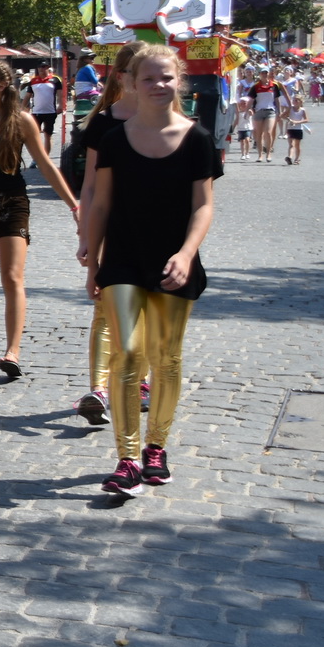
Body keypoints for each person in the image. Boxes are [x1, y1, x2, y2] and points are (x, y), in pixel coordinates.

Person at [85, 45, 219, 497]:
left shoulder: (196, 138)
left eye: (167, 78)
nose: (159, 86)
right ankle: (126, 458)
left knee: (166, 359)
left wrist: (186, 254)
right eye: (149, 79)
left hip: (174, 261)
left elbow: (203, 206)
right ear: (130, 84)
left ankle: (155, 447)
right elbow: (101, 203)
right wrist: (92, 259)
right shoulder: (114, 140)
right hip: (124, 259)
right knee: (125, 354)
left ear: (178, 81)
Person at [0, 60, 81, 379]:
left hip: (13, 203)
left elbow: (46, 166)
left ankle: (13, 350)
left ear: (2, 86)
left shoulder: (22, 120)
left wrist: (74, 206)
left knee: (12, 276)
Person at [73, 40, 147, 426]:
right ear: (124, 77)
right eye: (141, 73)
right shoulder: (103, 123)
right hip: (111, 224)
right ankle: (98, 389)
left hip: (154, 228)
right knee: (104, 305)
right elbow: (89, 186)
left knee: (149, 308)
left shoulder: (173, 120)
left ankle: (143, 377)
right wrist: (86, 234)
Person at [24, 61, 64, 153]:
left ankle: (46, 155)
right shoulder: (33, 81)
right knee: (34, 135)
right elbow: (27, 96)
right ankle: (37, 156)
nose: (41, 69)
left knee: (47, 135)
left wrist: (60, 106)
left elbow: (60, 94)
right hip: (36, 111)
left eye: (43, 66)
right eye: (39, 67)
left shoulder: (55, 80)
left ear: (48, 67)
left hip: (50, 111)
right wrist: (22, 108)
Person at [287, 96, 309, 165]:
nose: (295, 101)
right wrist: (288, 119)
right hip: (290, 128)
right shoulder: (290, 109)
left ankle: (297, 159)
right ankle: (290, 157)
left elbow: (306, 120)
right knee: (291, 144)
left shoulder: (302, 110)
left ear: (301, 102)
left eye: (297, 100)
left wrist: (297, 122)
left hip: (298, 129)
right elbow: (282, 115)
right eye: (294, 100)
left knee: (297, 145)